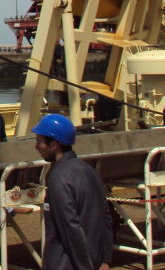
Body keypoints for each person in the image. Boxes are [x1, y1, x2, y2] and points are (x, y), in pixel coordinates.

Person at [32, 114, 113, 270]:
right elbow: (106, 217)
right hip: (94, 259)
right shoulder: (90, 171)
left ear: (54, 144)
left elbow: (70, 228)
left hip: (66, 263)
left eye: (39, 142)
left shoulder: (58, 178)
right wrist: (106, 259)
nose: (36, 147)